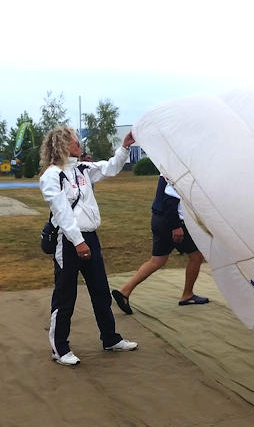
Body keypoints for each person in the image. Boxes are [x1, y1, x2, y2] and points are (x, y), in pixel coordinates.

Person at [39, 126, 138, 366]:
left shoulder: (83, 168)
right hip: (69, 240)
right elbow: (61, 212)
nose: (80, 145)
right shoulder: (51, 176)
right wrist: (78, 241)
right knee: (66, 295)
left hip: (90, 238)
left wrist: (124, 147)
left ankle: (110, 338)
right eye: (75, 142)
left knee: (101, 290)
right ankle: (59, 348)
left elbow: (110, 168)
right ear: (63, 145)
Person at [112, 175, 208, 315]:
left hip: (158, 219)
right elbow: (170, 199)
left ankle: (125, 291)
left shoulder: (166, 168)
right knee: (196, 256)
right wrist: (175, 226)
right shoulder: (175, 170)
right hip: (172, 221)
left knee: (157, 261)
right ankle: (187, 295)